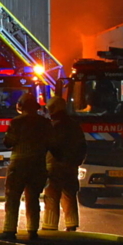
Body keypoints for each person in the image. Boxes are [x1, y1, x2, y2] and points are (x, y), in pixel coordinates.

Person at [0, 91, 52, 241]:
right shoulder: (45, 123)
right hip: (38, 164)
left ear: (20, 106)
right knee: (33, 198)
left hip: (19, 164)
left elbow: (8, 142)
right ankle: (33, 231)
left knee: (13, 197)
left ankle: (9, 231)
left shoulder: (16, 122)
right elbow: (51, 143)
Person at [41, 96, 88, 232]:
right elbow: (82, 146)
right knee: (69, 195)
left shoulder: (52, 126)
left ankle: (49, 227)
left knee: (51, 196)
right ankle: (71, 225)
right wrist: (77, 162)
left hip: (54, 167)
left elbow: (48, 146)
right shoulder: (74, 125)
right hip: (71, 167)